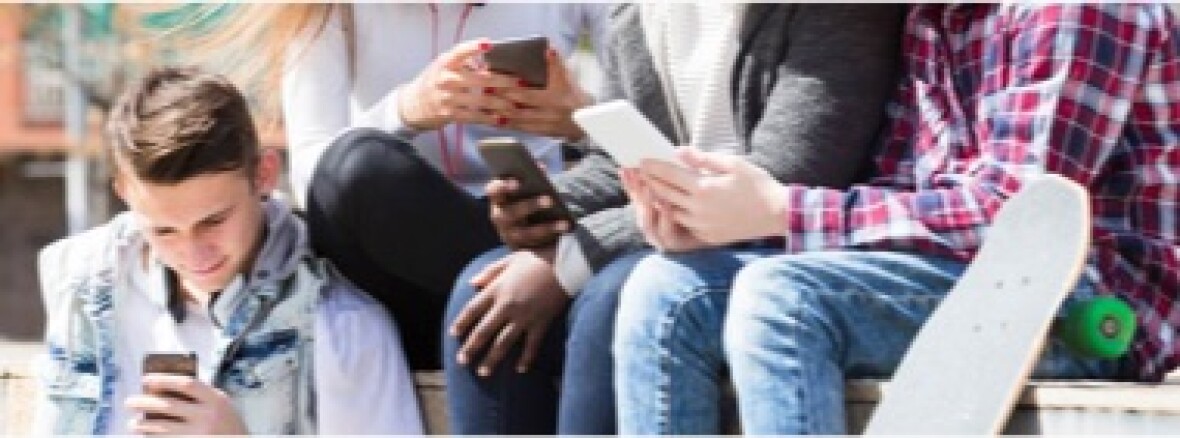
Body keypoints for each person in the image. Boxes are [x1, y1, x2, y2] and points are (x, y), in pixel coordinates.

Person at [613, 3, 1180, 434]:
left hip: (1088, 298)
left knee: (785, 295)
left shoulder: (1078, 11)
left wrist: (782, 211)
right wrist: (716, 218)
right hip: (955, 273)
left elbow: (1020, 222)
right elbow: (900, 192)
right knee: (668, 288)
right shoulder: (932, 17)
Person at [443, 4, 904, 434]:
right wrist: (546, 208)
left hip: (787, 238)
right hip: (669, 223)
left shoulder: (839, 12)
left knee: (612, 296)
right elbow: (621, 158)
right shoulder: (638, 14)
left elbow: (787, 174)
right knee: (479, 286)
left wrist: (577, 254)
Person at [31, 67, 421, 435]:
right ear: (125, 195)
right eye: (164, 230)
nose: (194, 254)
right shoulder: (79, 288)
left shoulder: (342, 326)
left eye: (213, 222)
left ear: (264, 174)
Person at [280, 4, 610, 371]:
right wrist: (405, 111)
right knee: (359, 167)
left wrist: (581, 119)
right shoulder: (326, 10)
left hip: (529, 237)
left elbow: (656, 134)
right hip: (399, 262)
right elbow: (312, 176)